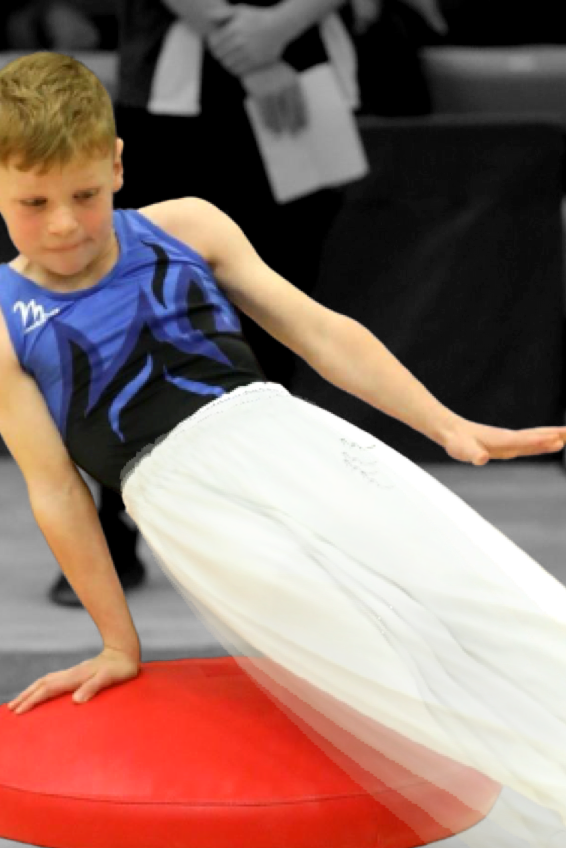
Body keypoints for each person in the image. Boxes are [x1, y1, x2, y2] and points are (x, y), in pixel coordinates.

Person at [0, 52, 566, 848]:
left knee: (475, 578)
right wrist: (118, 639)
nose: (68, 225)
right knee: (372, 643)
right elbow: (58, 491)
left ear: (118, 164)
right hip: (180, 494)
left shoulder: (189, 224)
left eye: (85, 194)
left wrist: (447, 426)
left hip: (280, 430)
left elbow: (320, 333)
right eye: (35, 203)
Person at [45, 0, 359, 608]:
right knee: (141, 318)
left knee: (278, 320)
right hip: (169, 103)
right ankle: (111, 528)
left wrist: (280, 25)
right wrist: (233, 36)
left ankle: (262, 533)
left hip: (305, 85)